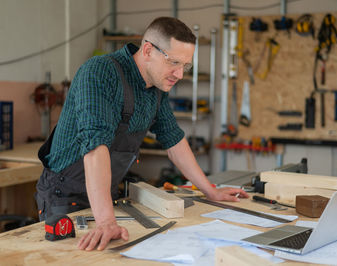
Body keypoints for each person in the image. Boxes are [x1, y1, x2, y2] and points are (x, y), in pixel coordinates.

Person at [35, 17, 248, 251]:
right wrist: (106, 221)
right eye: (174, 62)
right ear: (148, 50)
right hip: (64, 194)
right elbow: (95, 147)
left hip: (105, 194)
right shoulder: (100, 72)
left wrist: (211, 191)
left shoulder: (156, 88)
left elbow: (173, 139)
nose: (179, 75)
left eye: (185, 66)